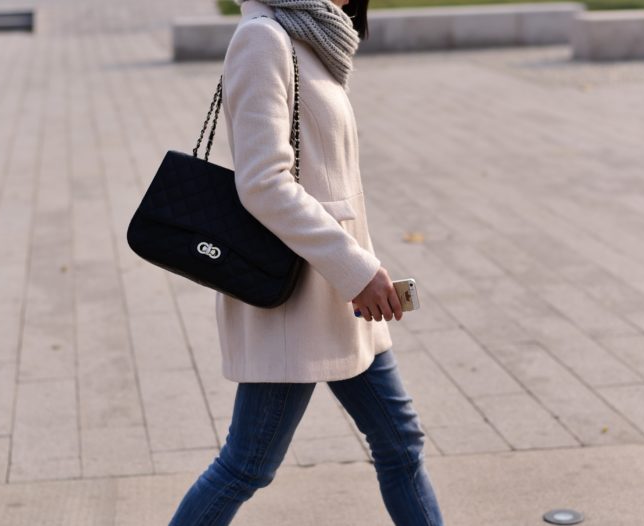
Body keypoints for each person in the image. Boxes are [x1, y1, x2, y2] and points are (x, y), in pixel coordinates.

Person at [168, 0, 445, 523]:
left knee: (401, 444)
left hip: (340, 294)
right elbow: (262, 183)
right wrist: (356, 270)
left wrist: (357, 268)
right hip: (297, 296)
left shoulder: (313, 38)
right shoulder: (263, 39)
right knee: (247, 465)